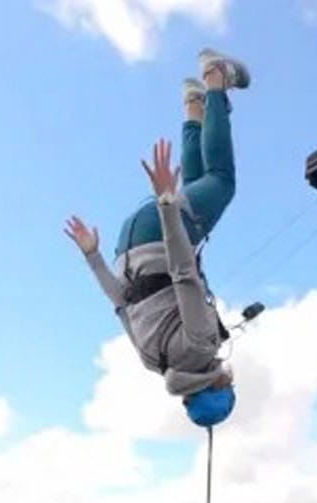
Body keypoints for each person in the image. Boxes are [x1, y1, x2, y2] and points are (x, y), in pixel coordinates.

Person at [65, 48, 251, 429]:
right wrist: (92, 256)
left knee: (221, 181)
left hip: (157, 233)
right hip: (124, 247)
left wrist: (167, 203)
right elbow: (120, 302)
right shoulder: (154, 362)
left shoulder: (200, 347)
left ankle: (214, 79)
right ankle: (193, 105)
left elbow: (184, 272)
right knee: (199, 186)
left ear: (216, 386)